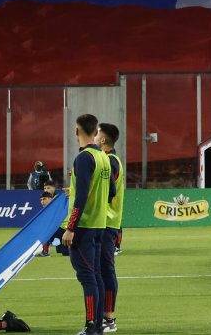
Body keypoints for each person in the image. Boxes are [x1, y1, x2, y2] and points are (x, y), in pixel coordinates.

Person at [61, 114, 116, 335]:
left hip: (83, 227)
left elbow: (82, 196)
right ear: (96, 133)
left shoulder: (83, 158)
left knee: (87, 277)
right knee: (97, 275)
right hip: (100, 225)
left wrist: (70, 227)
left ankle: (91, 326)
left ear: (77, 132)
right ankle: (98, 327)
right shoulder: (104, 157)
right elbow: (111, 191)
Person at [97, 122, 124, 333]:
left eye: (97, 133)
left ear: (103, 140)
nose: (94, 136)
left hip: (106, 223)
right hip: (103, 222)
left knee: (106, 270)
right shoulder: (108, 160)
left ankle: (109, 319)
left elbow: (108, 192)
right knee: (101, 270)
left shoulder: (110, 161)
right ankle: (102, 318)